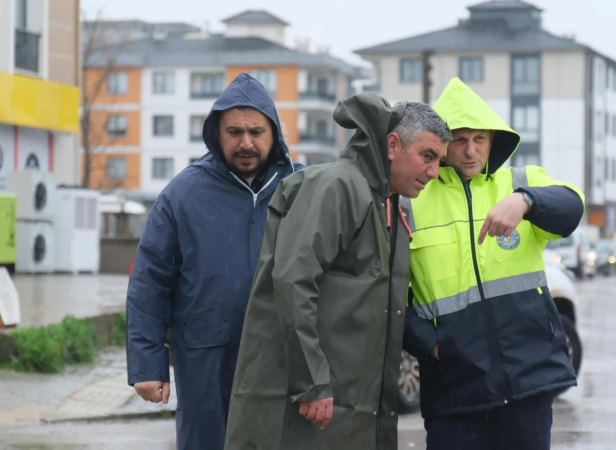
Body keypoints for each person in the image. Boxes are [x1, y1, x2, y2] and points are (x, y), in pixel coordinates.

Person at [224, 93, 451, 450]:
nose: (434, 172)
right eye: (427, 156)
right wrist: (312, 382)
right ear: (393, 145)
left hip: (352, 408)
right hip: (314, 404)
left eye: (438, 161)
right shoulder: (338, 185)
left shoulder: (391, 205)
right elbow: (294, 281)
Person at [403, 78, 585, 450]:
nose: (470, 151)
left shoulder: (522, 181)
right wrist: (431, 346)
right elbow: (390, 295)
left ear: (493, 140)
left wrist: (526, 201)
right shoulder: (412, 200)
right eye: (459, 139)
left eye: (480, 139)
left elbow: (572, 205)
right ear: (442, 143)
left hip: (528, 383)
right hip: (455, 390)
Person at [126, 73, 303, 450]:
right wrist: (147, 365)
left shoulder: (301, 189)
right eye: (234, 131)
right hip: (205, 363)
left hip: (283, 360)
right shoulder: (183, 195)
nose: (245, 142)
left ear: (274, 133)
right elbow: (149, 282)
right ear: (215, 134)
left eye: (256, 131)